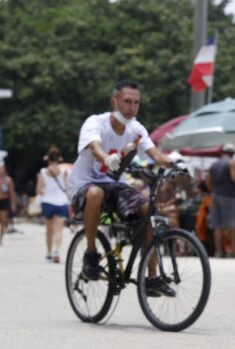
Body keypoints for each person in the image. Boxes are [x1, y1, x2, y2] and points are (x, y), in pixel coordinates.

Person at [67, 79, 174, 297]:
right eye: (127, 101)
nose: (132, 107)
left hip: (114, 185)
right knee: (96, 193)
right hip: (84, 184)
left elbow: (154, 153)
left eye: (136, 102)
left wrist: (172, 163)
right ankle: (91, 253)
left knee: (147, 210)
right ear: (114, 102)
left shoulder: (136, 129)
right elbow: (95, 147)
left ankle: (151, 277)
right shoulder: (96, 122)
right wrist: (107, 157)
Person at [36, 147, 70, 263]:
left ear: (48, 159)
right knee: (59, 230)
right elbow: (66, 187)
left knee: (49, 231)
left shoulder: (43, 172)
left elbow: (39, 190)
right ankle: (57, 251)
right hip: (61, 202)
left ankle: (49, 254)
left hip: (47, 202)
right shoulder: (64, 170)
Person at [206, 142, 235, 258]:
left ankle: (218, 252)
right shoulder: (232, 163)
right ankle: (232, 251)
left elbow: (208, 180)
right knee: (232, 224)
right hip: (229, 195)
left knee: (216, 224)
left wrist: (212, 190)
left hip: (215, 195)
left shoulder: (214, 164)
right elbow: (234, 178)